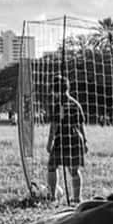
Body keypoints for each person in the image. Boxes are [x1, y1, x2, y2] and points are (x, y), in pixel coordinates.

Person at [47, 75, 88, 204]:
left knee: (52, 166)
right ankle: (77, 197)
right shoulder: (76, 104)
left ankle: (53, 196)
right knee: (74, 170)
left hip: (62, 139)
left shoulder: (57, 105)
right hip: (75, 138)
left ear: (55, 90)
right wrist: (85, 142)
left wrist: (49, 142)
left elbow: (54, 126)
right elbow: (81, 125)